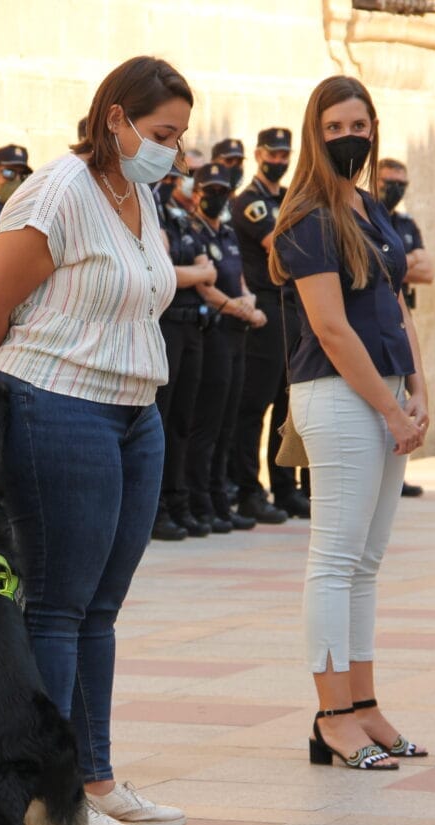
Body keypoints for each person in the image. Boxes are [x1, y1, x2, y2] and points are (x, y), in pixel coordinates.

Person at [0, 55, 191, 825]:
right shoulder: (59, 192)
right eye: (163, 133)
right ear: (115, 119)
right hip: (59, 407)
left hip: (132, 411)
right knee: (55, 608)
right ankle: (42, 802)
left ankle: (94, 779)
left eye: (180, 137)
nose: (174, 151)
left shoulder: (139, 190)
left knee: (100, 610)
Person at [270, 75, 429, 770]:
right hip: (337, 395)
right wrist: (391, 407)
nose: (349, 137)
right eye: (334, 127)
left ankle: (366, 707)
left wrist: (417, 388)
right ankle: (332, 717)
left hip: (387, 387)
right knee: (334, 562)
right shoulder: (308, 215)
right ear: (316, 133)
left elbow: (394, 305)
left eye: (358, 124)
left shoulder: (369, 206)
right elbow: (332, 328)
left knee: (366, 563)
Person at [230, 127, 307, 524]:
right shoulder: (251, 202)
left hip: (290, 309)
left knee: (286, 405)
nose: (279, 161)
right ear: (259, 155)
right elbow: (280, 246)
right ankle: (247, 490)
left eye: (284, 154)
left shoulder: (287, 197)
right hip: (264, 310)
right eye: (273, 154)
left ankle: (285, 488)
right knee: (254, 406)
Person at [185, 162, 265, 533]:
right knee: (208, 424)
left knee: (228, 423)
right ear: (196, 193)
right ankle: (201, 501)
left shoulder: (228, 233)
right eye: (209, 190)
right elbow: (206, 287)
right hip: (215, 332)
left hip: (238, 334)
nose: (216, 197)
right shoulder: (194, 232)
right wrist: (240, 310)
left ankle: (220, 499)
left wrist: (248, 301)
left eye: (222, 191)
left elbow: (242, 279)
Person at [151, 163, 217, 540]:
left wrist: (195, 273)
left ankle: (178, 502)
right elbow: (167, 272)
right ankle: (156, 508)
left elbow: (204, 267)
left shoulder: (178, 215)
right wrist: (198, 274)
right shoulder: (149, 204)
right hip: (167, 323)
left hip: (192, 324)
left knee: (182, 421)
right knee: (159, 420)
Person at [378, 157, 435, 498]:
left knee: (404, 396)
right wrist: (406, 261)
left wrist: (399, 263)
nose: (395, 190)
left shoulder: (406, 222)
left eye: (401, 184)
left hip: (403, 319)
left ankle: (396, 472)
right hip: (379, 321)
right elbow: (381, 270)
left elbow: (427, 271)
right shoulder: (370, 218)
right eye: (388, 183)